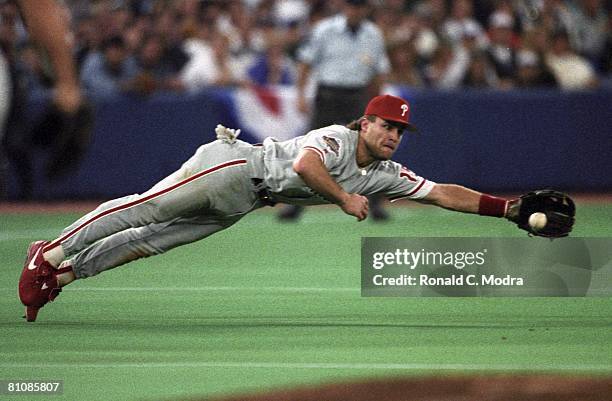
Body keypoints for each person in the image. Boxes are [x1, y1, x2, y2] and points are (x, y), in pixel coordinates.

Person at [18, 94, 573, 322]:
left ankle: (64, 274)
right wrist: (344, 199)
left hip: (246, 199)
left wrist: (507, 209)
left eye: (401, 130)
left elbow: (442, 193)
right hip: (236, 164)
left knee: (149, 243)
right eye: (386, 125)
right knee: (147, 210)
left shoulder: (383, 172)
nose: (394, 136)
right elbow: (308, 167)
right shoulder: (336, 138)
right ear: (366, 122)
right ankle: (52, 249)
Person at [278, 0, 391, 221]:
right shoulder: (325, 30)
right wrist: (300, 94)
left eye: (359, 6)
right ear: (344, 7)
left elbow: (379, 72)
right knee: (309, 148)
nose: (355, 10)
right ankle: (295, 204)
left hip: (358, 94)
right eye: (351, 6)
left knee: (370, 148)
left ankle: (375, 203)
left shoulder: (373, 34)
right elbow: (305, 62)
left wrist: (378, 103)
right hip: (328, 94)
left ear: (365, 9)